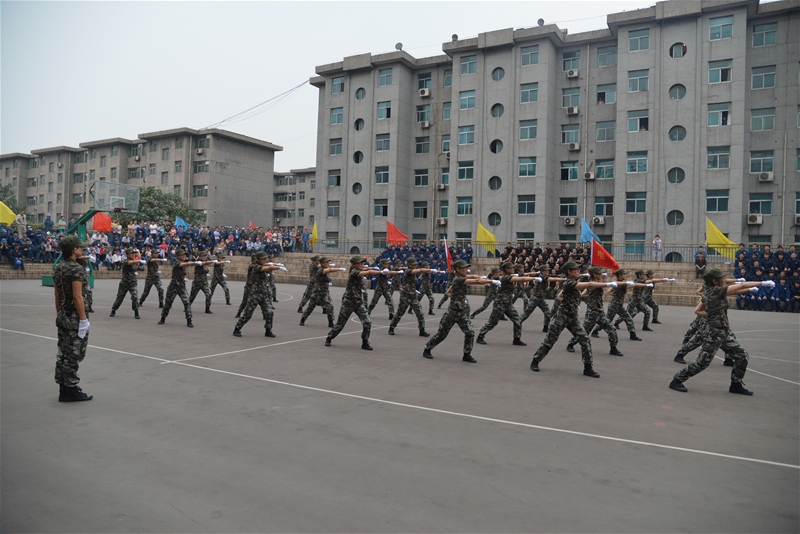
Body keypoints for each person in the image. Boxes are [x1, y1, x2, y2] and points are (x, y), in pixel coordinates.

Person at [669, 269, 771, 395]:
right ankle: (677, 380)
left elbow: (698, 310)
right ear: (714, 281)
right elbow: (741, 285)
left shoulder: (710, 291)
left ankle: (736, 384)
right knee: (702, 362)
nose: (724, 280)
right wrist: (763, 283)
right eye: (722, 278)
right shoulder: (715, 291)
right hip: (714, 333)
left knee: (742, 356)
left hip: (723, 332)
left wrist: (711, 316)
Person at [530, 261, 619, 377]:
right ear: (569, 272)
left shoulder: (574, 281)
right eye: (576, 270)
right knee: (549, 341)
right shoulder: (568, 282)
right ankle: (535, 361)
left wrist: (569, 303)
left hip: (572, 318)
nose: (578, 271)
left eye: (578, 270)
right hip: (561, 317)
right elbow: (589, 285)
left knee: (585, 340)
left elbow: (560, 296)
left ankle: (588, 368)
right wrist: (608, 284)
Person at [422, 260, 494, 362]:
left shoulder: (461, 278)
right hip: (452, 312)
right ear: (458, 269)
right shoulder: (458, 279)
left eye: (466, 268)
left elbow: (472, 278)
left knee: (470, 332)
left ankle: (466, 354)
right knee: (441, 334)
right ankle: (427, 348)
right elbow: (475, 282)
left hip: (461, 312)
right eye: (464, 268)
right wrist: (491, 281)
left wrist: (483, 278)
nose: (466, 269)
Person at [53, 236, 92, 402]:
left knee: (63, 353)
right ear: (74, 250)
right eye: (80, 248)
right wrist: (83, 320)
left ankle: (63, 387)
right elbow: (77, 296)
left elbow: (57, 294)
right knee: (74, 354)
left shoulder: (59, 267)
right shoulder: (76, 269)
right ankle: (70, 389)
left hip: (63, 314)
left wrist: (60, 313)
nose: (83, 250)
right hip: (75, 317)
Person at [476, 261, 539, 346]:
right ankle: (480, 336)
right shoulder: (506, 277)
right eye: (511, 268)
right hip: (500, 303)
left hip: (508, 303)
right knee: (492, 322)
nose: (513, 269)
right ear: (507, 269)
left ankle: (516, 339)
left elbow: (521, 276)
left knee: (517, 320)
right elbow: (522, 279)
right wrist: (534, 278)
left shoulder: (509, 276)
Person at [325, 256, 383, 350]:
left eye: (362, 263)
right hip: (349, 301)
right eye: (359, 263)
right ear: (353, 264)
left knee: (367, 322)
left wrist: (374, 268)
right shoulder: (354, 271)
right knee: (340, 324)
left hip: (358, 302)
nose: (362, 265)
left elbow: (366, 269)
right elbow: (368, 272)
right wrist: (381, 272)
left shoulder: (358, 269)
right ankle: (329, 337)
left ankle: (365, 342)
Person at [566, 267, 623, 356]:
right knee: (584, 332)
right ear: (594, 275)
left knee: (612, 329)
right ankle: (571, 344)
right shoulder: (593, 284)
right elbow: (593, 287)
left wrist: (591, 297)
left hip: (600, 313)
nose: (601, 275)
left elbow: (583, 294)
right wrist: (610, 284)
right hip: (592, 313)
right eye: (599, 273)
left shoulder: (596, 283)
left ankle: (613, 348)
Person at [233, 251, 285, 337]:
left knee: (269, 312)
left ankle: (268, 330)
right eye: (263, 259)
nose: (265, 260)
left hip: (263, 294)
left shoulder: (262, 265)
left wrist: (276, 264)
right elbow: (268, 267)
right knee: (248, 314)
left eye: (265, 259)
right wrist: (278, 267)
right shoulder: (255, 267)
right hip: (255, 294)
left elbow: (268, 265)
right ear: (258, 259)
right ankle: (237, 328)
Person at [387, 258, 434, 337]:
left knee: (420, 313)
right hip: (405, 296)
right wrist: (428, 269)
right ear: (409, 265)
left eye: (415, 264)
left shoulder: (411, 270)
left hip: (413, 296)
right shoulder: (408, 271)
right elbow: (419, 270)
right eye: (413, 265)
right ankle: (391, 327)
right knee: (399, 313)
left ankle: (422, 330)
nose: (415, 266)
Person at [602, 269, 645, 341]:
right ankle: (596, 330)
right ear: (620, 275)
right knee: (607, 320)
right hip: (614, 306)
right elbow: (635, 285)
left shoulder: (620, 283)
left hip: (620, 306)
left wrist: (615, 295)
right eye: (624, 274)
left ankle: (632, 335)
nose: (626, 275)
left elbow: (609, 291)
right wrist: (646, 285)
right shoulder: (619, 283)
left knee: (628, 319)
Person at [158, 248, 196, 327]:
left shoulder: (184, 264)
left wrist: (183, 279)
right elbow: (183, 265)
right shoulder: (176, 262)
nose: (184, 256)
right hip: (173, 286)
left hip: (181, 286)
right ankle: (163, 317)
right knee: (168, 304)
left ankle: (189, 320)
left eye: (184, 255)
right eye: (182, 255)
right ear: (178, 256)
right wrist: (194, 262)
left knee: (187, 302)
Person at [299, 257, 338, 328]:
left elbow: (327, 276)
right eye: (326, 262)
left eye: (328, 262)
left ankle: (331, 322)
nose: (328, 264)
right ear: (322, 263)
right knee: (311, 307)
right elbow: (329, 270)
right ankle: (303, 319)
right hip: (317, 292)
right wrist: (339, 269)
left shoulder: (325, 269)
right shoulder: (321, 270)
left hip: (325, 292)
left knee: (330, 306)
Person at [110, 247, 143, 319]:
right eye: (131, 254)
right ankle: (113, 309)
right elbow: (129, 263)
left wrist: (137, 260)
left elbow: (134, 268)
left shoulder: (134, 261)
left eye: (133, 254)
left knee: (135, 297)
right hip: (124, 283)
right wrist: (138, 261)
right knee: (119, 298)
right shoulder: (126, 261)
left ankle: (136, 311)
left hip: (133, 283)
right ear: (127, 255)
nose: (133, 255)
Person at [520, 265, 552, 332]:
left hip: (541, 299)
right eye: (546, 270)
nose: (548, 271)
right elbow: (552, 279)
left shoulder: (544, 276)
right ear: (542, 271)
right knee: (527, 313)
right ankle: (517, 323)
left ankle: (545, 327)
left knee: (548, 313)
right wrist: (564, 279)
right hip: (535, 298)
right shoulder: (541, 276)